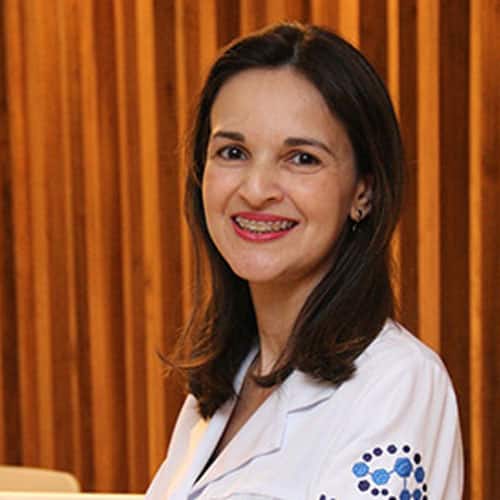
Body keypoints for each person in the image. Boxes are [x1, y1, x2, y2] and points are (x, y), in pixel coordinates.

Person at [147, 22, 463, 499]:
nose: (256, 189)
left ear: (364, 191)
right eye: (233, 152)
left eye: (302, 159)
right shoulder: (221, 388)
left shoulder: (398, 384)